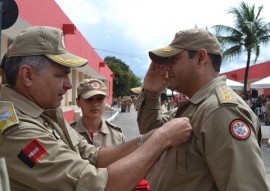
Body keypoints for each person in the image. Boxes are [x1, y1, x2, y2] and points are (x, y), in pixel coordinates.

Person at [0, 26, 192, 191]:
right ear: (27, 75)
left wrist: (153, 134)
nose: (68, 84)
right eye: (60, 75)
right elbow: (97, 184)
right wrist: (162, 139)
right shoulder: (15, 129)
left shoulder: (45, 113)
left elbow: (93, 155)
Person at [137, 28, 269, 190]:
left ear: (200, 58)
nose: (167, 68)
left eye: (174, 60)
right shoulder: (197, 106)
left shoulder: (222, 111)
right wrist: (150, 94)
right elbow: (153, 136)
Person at [71, 78, 126, 147]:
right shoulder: (68, 134)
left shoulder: (117, 136)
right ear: (78, 102)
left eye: (100, 99)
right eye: (89, 99)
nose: (95, 104)